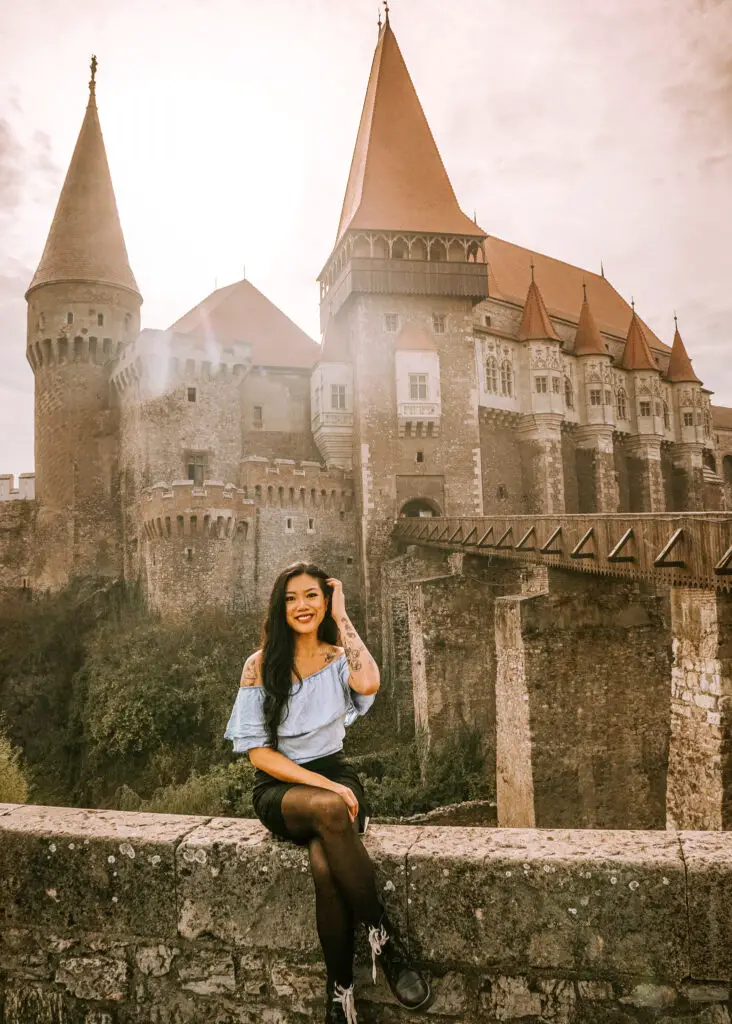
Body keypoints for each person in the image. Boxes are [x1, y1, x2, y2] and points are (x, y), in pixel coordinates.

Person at [225, 561, 431, 1023]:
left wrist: (342, 616)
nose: (301, 605)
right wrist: (323, 784)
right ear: (279, 607)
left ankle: (340, 995)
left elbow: (369, 682)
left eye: (311, 596)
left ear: (325, 601)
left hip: (336, 774)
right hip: (282, 790)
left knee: (324, 866)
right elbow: (259, 755)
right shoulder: (259, 666)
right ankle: (384, 938)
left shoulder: (339, 659)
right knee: (330, 808)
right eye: (291, 598)